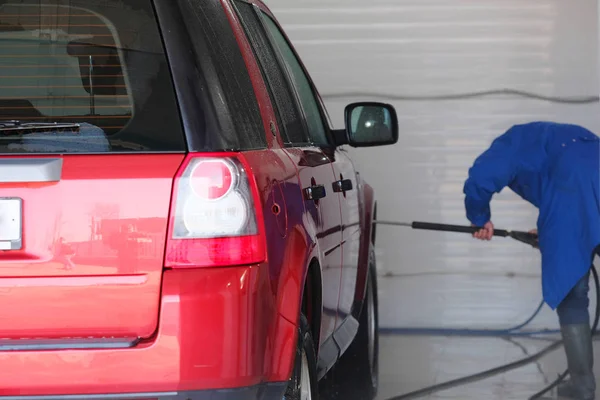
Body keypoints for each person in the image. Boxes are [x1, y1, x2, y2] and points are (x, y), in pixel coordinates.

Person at [463, 121, 599, 400]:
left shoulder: (510, 143)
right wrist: (553, 231)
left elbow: (480, 178)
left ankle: (582, 388)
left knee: (572, 297)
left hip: (572, 186)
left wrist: (479, 218)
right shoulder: (554, 138)